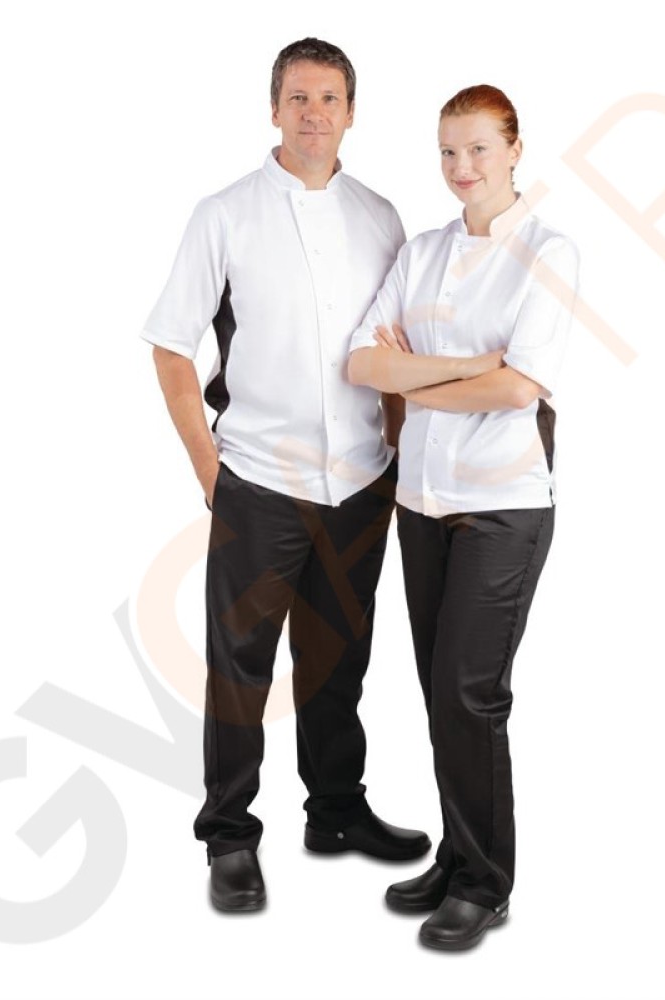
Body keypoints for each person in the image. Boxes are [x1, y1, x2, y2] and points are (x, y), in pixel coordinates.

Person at [141, 38, 444, 913]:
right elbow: (171, 348)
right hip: (259, 479)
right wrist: (210, 468)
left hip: (360, 482)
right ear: (274, 109)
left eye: (330, 98)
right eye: (299, 97)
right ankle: (230, 837)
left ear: (352, 112)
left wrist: (397, 461)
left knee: (338, 659)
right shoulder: (224, 215)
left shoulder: (381, 216)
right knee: (241, 667)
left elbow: (393, 351)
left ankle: (336, 812)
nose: (315, 113)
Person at [348, 83, 580, 950]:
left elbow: (521, 389)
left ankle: (486, 883)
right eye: (448, 150)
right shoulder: (422, 252)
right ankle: (456, 855)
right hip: (421, 500)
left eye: (479, 148)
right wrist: (472, 366)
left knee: (469, 694)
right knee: (437, 691)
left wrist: (423, 375)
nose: (461, 166)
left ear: (515, 150)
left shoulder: (549, 253)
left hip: (501, 504)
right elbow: (362, 364)